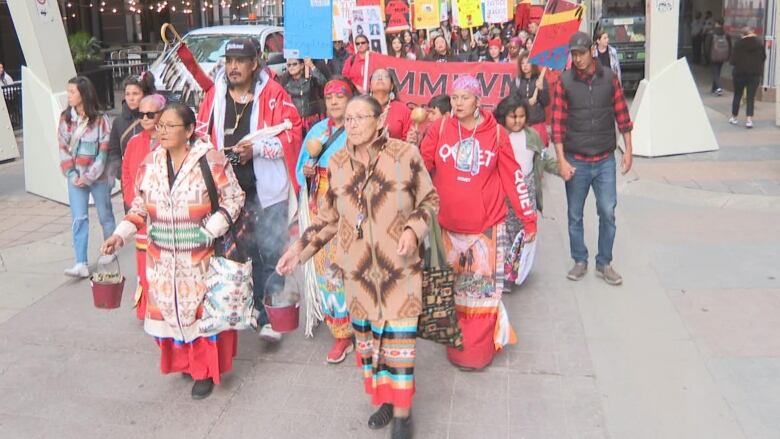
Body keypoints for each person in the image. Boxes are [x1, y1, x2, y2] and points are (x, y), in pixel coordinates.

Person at [277, 95, 439, 439]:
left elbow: (429, 200)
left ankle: (403, 415)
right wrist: (298, 250)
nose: (351, 124)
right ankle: (384, 400)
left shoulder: (405, 155)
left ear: (379, 121)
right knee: (370, 347)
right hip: (359, 273)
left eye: (359, 117)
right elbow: (328, 218)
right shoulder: (335, 163)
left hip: (400, 269)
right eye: (347, 118)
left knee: (399, 346)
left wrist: (413, 229)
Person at [101, 103, 245, 400]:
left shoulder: (210, 160)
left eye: (169, 126)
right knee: (171, 311)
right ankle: (186, 363)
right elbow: (140, 207)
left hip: (202, 258)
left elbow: (234, 198)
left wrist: (212, 228)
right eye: (160, 125)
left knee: (202, 316)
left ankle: (204, 371)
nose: (161, 131)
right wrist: (120, 234)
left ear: (189, 131)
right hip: (162, 258)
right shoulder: (151, 163)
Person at [419, 75, 537, 371]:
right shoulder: (441, 127)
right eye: (454, 97)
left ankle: (477, 351)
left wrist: (528, 219)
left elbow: (513, 177)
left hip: (485, 229)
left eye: (464, 97)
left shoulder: (496, 134)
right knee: (453, 291)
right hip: (447, 227)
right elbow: (422, 166)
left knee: (480, 293)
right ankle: (456, 346)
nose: (458, 103)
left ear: (477, 101)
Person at [197, 38, 303, 343]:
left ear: (254, 63)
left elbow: (291, 132)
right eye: (229, 60)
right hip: (228, 192)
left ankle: (269, 313)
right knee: (241, 254)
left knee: (271, 252)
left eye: (240, 60)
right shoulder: (213, 95)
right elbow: (202, 134)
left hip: (266, 190)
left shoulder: (273, 93)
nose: (233, 67)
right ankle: (247, 307)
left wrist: (255, 149)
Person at [551, 32, 633, 286]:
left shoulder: (609, 78)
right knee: (575, 214)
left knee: (607, 211)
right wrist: (562, 161)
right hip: (576, 159)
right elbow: (557, 125)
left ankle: (604, 262)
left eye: (581, 53)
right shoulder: (564, 82)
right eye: (573, 54)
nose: (577, 58)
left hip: (605, 158)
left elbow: (623, 116)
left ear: (591, 51)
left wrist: (629, 150)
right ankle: (579, 259)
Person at [294, 77, 357, 363]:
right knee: (328, 268)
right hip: (322, 204)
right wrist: (307, 172)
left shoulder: (363, 127)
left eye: (340, 95)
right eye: (329, 96)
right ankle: (342, 333)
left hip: (354, 205)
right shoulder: (317, 131)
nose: (333, 101)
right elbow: (301, 167)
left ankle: (365, 326)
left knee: (358, 265)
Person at [494, 96, 560, 288]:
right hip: (504, 191)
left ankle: (519, 268)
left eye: (521, 116)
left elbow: (544, 159)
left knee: (523, 233)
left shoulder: (532, 136)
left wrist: (561, 169)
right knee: (504, 232)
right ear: (503, 116)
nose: (517, 121)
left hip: (527, 190)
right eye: (513, 117)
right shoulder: (497, 136)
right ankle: (504, 275)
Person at [57, 76, 115, 278]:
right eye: (69, 92)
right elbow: (63, 147)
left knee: (104, 214)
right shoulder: (66, 118)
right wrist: (71, 173)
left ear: (84, 93)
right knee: (79, 218)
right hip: (75, 176)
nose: (69, 96)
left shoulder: (101, 119)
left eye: (72, 91)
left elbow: (104, 150)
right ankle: (80, 261)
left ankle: (110, 249)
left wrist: (90, 176)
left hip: (97, 176)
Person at [121, 94, 166, 321]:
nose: (146, 119)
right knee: (143, 265)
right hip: (141, 213)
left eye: (151, 114)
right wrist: (134, 201)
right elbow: (127, 176)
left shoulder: (170, 141)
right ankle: (146, 307)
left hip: (164, 215)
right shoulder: (133, 142)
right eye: (142, 115)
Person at [108, 72, 156, 185]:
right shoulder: (118, 122)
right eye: (127, 94)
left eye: (135, 93)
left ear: (145, 94)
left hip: (153, 180)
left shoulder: (155, 118)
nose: (131, 98)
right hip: (129, 179)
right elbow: (114, 151)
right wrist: (121, 172)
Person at [511, 51, 550, 146]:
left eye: (527, 62)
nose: (525, 66)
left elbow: (546, 102)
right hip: (521, 124)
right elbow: (512, 100)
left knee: (539, 154)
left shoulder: (540, 79)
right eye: (522, 63)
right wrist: (527, 102)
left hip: (537, 123)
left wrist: (541, 90)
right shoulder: (517, 81)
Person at [729, 27, 766, 128]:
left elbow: (733, 60)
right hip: (754, 74)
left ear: (742, 34)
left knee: (737, 95)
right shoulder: (759, 43)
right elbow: (763, 57)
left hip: (739, 73)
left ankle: (734, 117)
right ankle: (749, 120)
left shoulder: (738, 44)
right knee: (750, 97)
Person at [278, 57, 327, 133]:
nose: (291, 67)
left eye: (294, 64)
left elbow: (324, 83)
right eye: (289, 65)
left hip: (312, 119)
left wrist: (311, 66)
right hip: (295, 120)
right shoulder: (285, 82)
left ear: (302, 65)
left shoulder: (310, 78)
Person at [368, 69, 412, 141]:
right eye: (376, 76)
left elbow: (407, 141)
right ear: (370, 86)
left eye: (385, 76)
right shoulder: (361, 107)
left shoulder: (403, 110)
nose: (380, 78)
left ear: (391, 86)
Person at [704, 19, 731, 96]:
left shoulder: (711, 33)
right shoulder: (726, 34)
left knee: (715, 72)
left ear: (716, 23)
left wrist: (707, 56)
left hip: (713, 56)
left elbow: (707, 46)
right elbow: (730, 46)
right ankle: (714, 88)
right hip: (723, 56)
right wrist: (728, 56)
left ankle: (719, 88)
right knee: (718, 71)